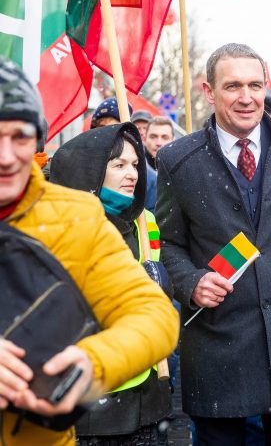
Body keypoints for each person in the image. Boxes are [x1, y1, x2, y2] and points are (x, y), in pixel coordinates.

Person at [155, 43, 271, 445]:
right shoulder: (177, 160)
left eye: (255, 85)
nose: (246, 97)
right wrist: (190, 283)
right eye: (233, 86)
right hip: (218, 345)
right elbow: (167, 245)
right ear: (209, 92)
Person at [0, 57, 179, 445]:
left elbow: (153, 315)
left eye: (20, 137)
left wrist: (93, 363)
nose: (6, 155)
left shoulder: (75, 216)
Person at [50, 122, 174, 444]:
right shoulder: (63, 227)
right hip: (95, 411)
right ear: (89, 171)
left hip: (149, 402)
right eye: (118, 165)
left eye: (135, 164)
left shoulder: (144, 221)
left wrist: (163, 283)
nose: (132, 174)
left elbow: (160, 285)